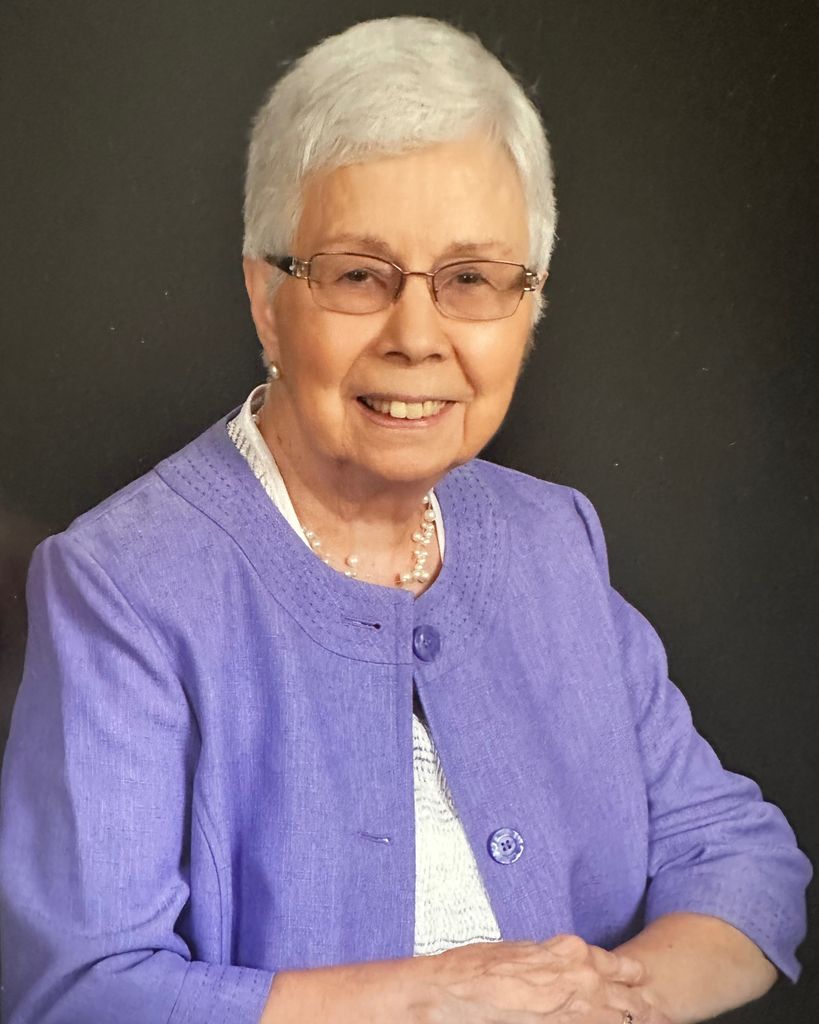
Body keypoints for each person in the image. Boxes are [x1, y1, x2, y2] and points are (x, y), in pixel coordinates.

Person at [0, 16, 810, 1024]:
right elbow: (80, 990)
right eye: (357, 275)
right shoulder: (123, 584)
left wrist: (608, 1005)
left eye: (472, 279)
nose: (417, 337)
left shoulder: (553, 538)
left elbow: (739, 858)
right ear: (265, 298)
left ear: (529, 305)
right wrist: (430, 1001)